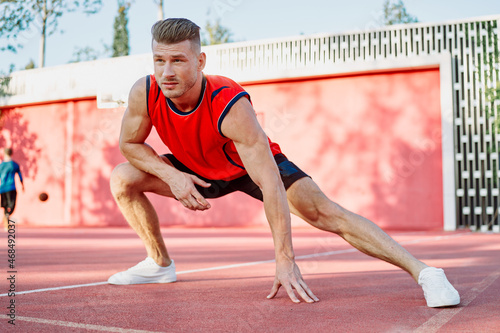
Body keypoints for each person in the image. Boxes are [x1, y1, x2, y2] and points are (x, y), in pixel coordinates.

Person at [108, 18, 460, 307]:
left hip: (248, 168)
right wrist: (173, 175)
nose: (166, 72)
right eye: (159, 60)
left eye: (178, 61)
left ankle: (426, 272)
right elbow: (129, 144)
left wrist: (284, 259)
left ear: (200, 62)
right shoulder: (146, 91)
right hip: (194, 168)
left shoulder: (229, 105)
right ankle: (159, 264)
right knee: (123, 177)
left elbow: (270, 183)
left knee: (325, 213)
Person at [0, 148, 24, 230]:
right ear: (11, 154)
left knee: (5, 205)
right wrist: (22, 185)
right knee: (11, 205)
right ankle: (7, 216)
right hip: (11, 187)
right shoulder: (14, 165)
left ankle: (6, 217)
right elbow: (20, 176)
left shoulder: (1, 165)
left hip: (2, 188)